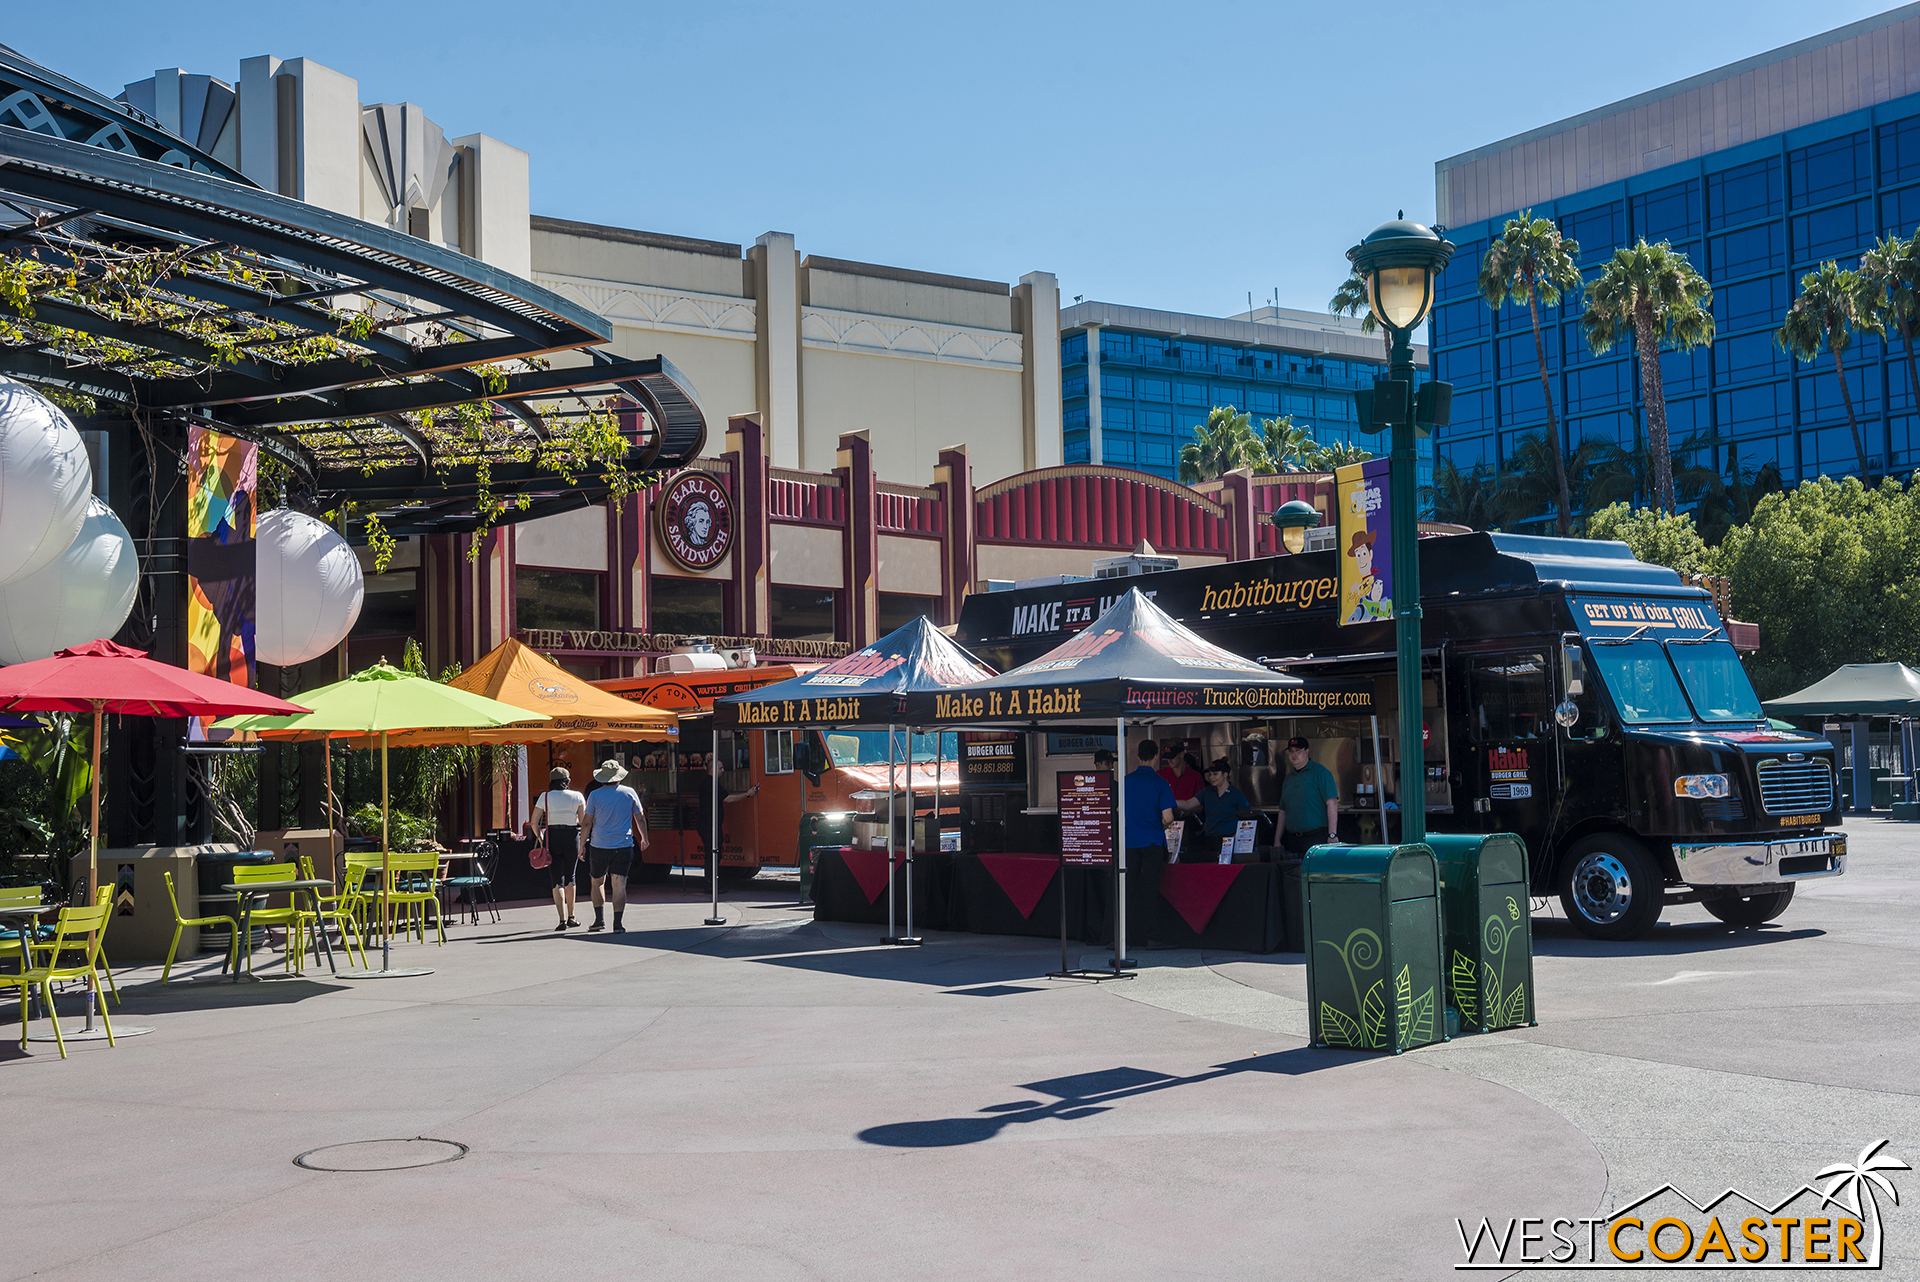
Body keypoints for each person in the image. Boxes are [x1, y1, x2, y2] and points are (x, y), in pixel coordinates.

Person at [580, 759, 649, 933]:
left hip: (599, 845)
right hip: (623, 845)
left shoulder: (594, 795)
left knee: (597, 883)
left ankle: (599, 920)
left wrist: (582, 845)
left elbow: (587, 823)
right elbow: (640, 818)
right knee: (619, 885)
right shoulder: (629, 792)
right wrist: (644, 838)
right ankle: (618, 924)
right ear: (619, 776)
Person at [1124, 738, 1177, 948]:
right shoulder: (1161, 784)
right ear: (1156, 757)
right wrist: (1160, 826)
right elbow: (1169, 817)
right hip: (1153, 843)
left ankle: (1124, 937)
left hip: (1129, 843)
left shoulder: (1126, 781)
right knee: (1150, 891)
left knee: (1127, 891)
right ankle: (1153, 937)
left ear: (1137, 756)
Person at [529, 768, 586, 931]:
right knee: (571, 876)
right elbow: (583, 822)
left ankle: (561, 920)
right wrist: (582, 843)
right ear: (567, 780)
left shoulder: (545, 796)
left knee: (556, 879)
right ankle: (571, 917)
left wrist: (540, 839)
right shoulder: (577, 796)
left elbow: (534, 821)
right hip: (571, 836)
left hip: (552, 836)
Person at [1277, 736, 1341, 856]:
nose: (1294, 754)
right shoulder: (1288, 778)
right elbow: (1282, 810)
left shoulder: (1321, 773)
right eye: (1291, 751)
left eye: (1298, 751)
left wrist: (1332, 835)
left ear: (1307, 751)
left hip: (1316, 838)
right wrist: (1277, 840)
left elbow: (1332, 803)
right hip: (1292, 840)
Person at [1183, 758, 1256, 855]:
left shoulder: (1237, 795)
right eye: (1210, 775)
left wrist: (1234, 839)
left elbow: (1246, 822)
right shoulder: (1207, 792)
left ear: (1225, 774)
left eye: (1215, 774)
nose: (1211, 778)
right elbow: (1188, 804)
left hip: (1229, 840)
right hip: (1209, 840)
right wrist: (1169, 802)